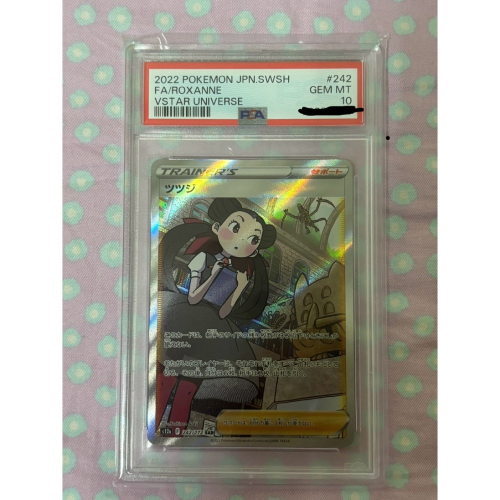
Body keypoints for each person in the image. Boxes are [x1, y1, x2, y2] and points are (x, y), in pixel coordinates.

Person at [154, 198, 277, 438]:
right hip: (185, 321)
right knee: (165, 383)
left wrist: (240, 288)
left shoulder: (239, 273)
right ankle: (152, 430)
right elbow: (193, 298)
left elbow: (223, 313)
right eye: (236, 227)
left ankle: (176, 438)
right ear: (217, 227)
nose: (243, 240)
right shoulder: (202, 258)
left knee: (186, 392)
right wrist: (213, 274)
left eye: (253, 239)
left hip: (210, 333)